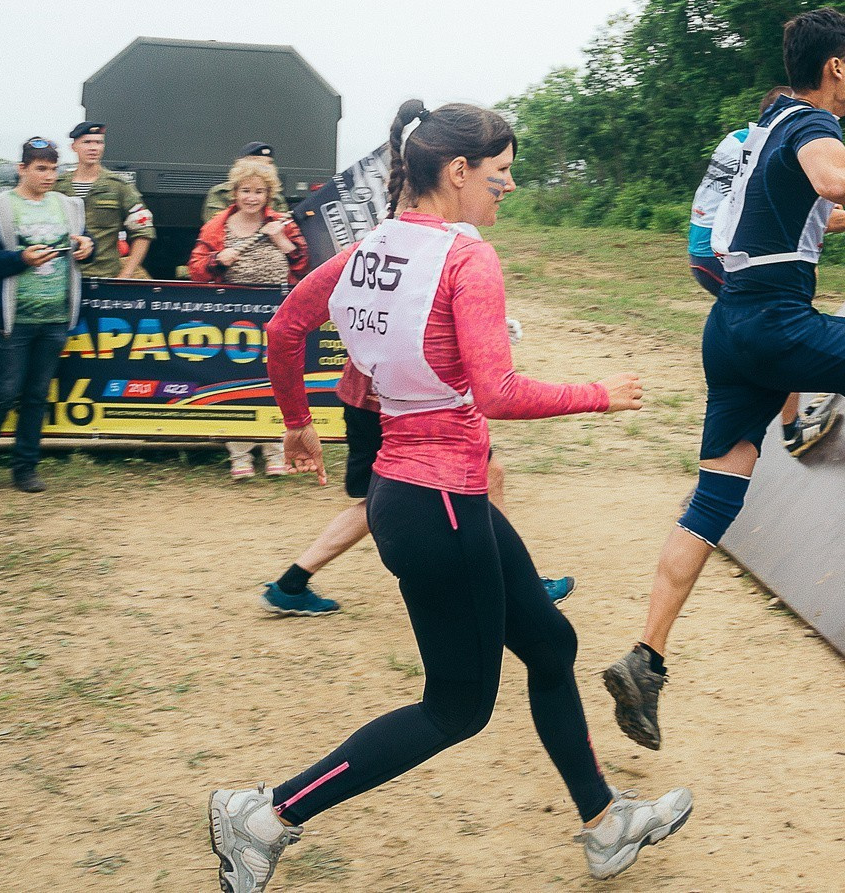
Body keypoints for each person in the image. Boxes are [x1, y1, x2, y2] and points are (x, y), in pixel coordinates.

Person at [209, 100, 691, 891]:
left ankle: (605, 822)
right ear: (458, 171)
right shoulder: (468, 259)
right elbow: (497, 389)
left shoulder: (371, 246)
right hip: (437, 503)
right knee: (455, 708)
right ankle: (264, 814)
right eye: (500, 175)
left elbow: (284, 328)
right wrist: (598, 391)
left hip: (420, 496)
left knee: (550, 644)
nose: (507, 189)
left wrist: (299, 423)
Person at [603, 7, 845, 752]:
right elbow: (834, 176)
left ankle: (646, 656)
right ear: (835, 68)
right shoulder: (810, 127)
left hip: (729, 327)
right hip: (776, 323)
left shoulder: (768, 127)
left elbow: (821, 193)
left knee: (712, 499)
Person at [259, 353, 577, 616]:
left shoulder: (357, 272)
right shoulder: (435, 275)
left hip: (368, 392)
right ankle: (517, 587)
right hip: (407, 396)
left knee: (380, 497)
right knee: (486, 472)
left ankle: (292, 583)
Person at [686, 84, 845, 454]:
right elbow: (822, 208)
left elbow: (842, 179)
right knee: (786, 326)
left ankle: (771, 409)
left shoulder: (746, 140)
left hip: (703, 253)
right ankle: (791, 428)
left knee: (777, 321)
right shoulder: (781, 144)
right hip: (724, 256)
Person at [0, 137, 94, 495]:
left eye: (54, 168)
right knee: (3, 392)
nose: (50, 176)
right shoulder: (0, 206)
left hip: (54, 317)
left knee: (36, 395)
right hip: (11, 320)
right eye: (41, 168)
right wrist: (20, 259)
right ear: (22, 169)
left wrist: (86, 248)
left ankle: (25, 468)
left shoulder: (69, 206)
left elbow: (84, 245)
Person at [191, 157, 311, 479]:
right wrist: (218, 259)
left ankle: (274, 449)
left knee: (275, 379)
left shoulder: (281, 223)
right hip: (232, 320)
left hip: (275, 315)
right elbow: (196, 268)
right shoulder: (216, 226)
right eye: (246, 190)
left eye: (259, 191)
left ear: (268, 194)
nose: (252, 197)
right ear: (235, 192)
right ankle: (240, 453)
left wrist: (281, 240)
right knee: (235, 380)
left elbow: (303, 265)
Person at [61, 121, 155, 279]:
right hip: (62, 278)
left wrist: (127, 273)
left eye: (98, 142)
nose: (93, 148)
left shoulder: (118, 186)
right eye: (87, 142)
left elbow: (144, 231)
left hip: (104, 277)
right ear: (74, 147)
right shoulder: (58, 187)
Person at [202, 141, 290, 222]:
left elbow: (281, 225)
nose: (264, 167)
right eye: (258, 162)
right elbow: (215, 223)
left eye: (269, 163)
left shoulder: (277, 198)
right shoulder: (220, 193)